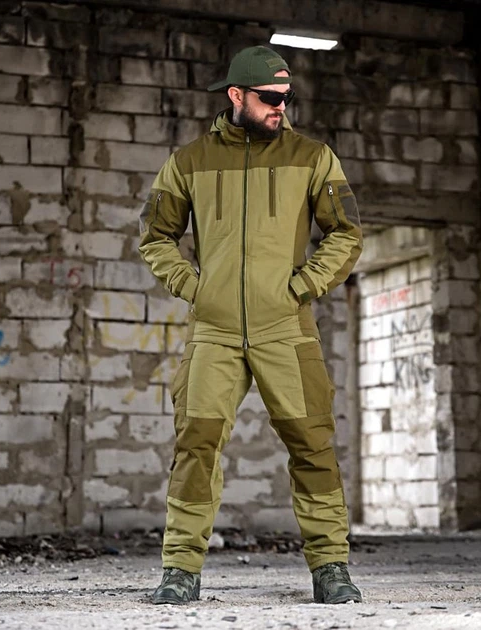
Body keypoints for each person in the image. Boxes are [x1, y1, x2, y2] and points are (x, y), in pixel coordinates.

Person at [139, 45, 363, 606]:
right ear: (236, 95)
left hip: (286, 327)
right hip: (214, 331)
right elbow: (156, 237)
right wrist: (196, 288)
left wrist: (303, 286)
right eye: (269, 98)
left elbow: (345, 233)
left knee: (312, 444)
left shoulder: (312, 158)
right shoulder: (189, 162)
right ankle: (180, 570)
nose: (280, 107)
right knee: (196, 446)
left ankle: (331, 568)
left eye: (287, 98)